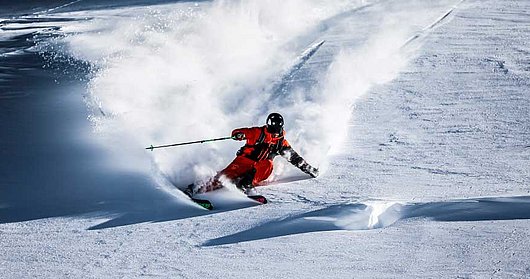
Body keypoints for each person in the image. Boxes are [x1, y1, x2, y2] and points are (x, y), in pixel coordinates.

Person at [187, 113, 319, 196]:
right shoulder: (258, 133)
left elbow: (295, 158)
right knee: (224, 177)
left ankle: (246, 184)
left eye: (277, 130)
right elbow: (242, 132)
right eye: (272, 129)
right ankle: (195, 188)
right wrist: (239, 135)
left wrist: (309, 169)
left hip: (260, 168)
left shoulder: (281, 143)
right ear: (268, 126)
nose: (274, 133)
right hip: (244, 162)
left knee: (268, 164)